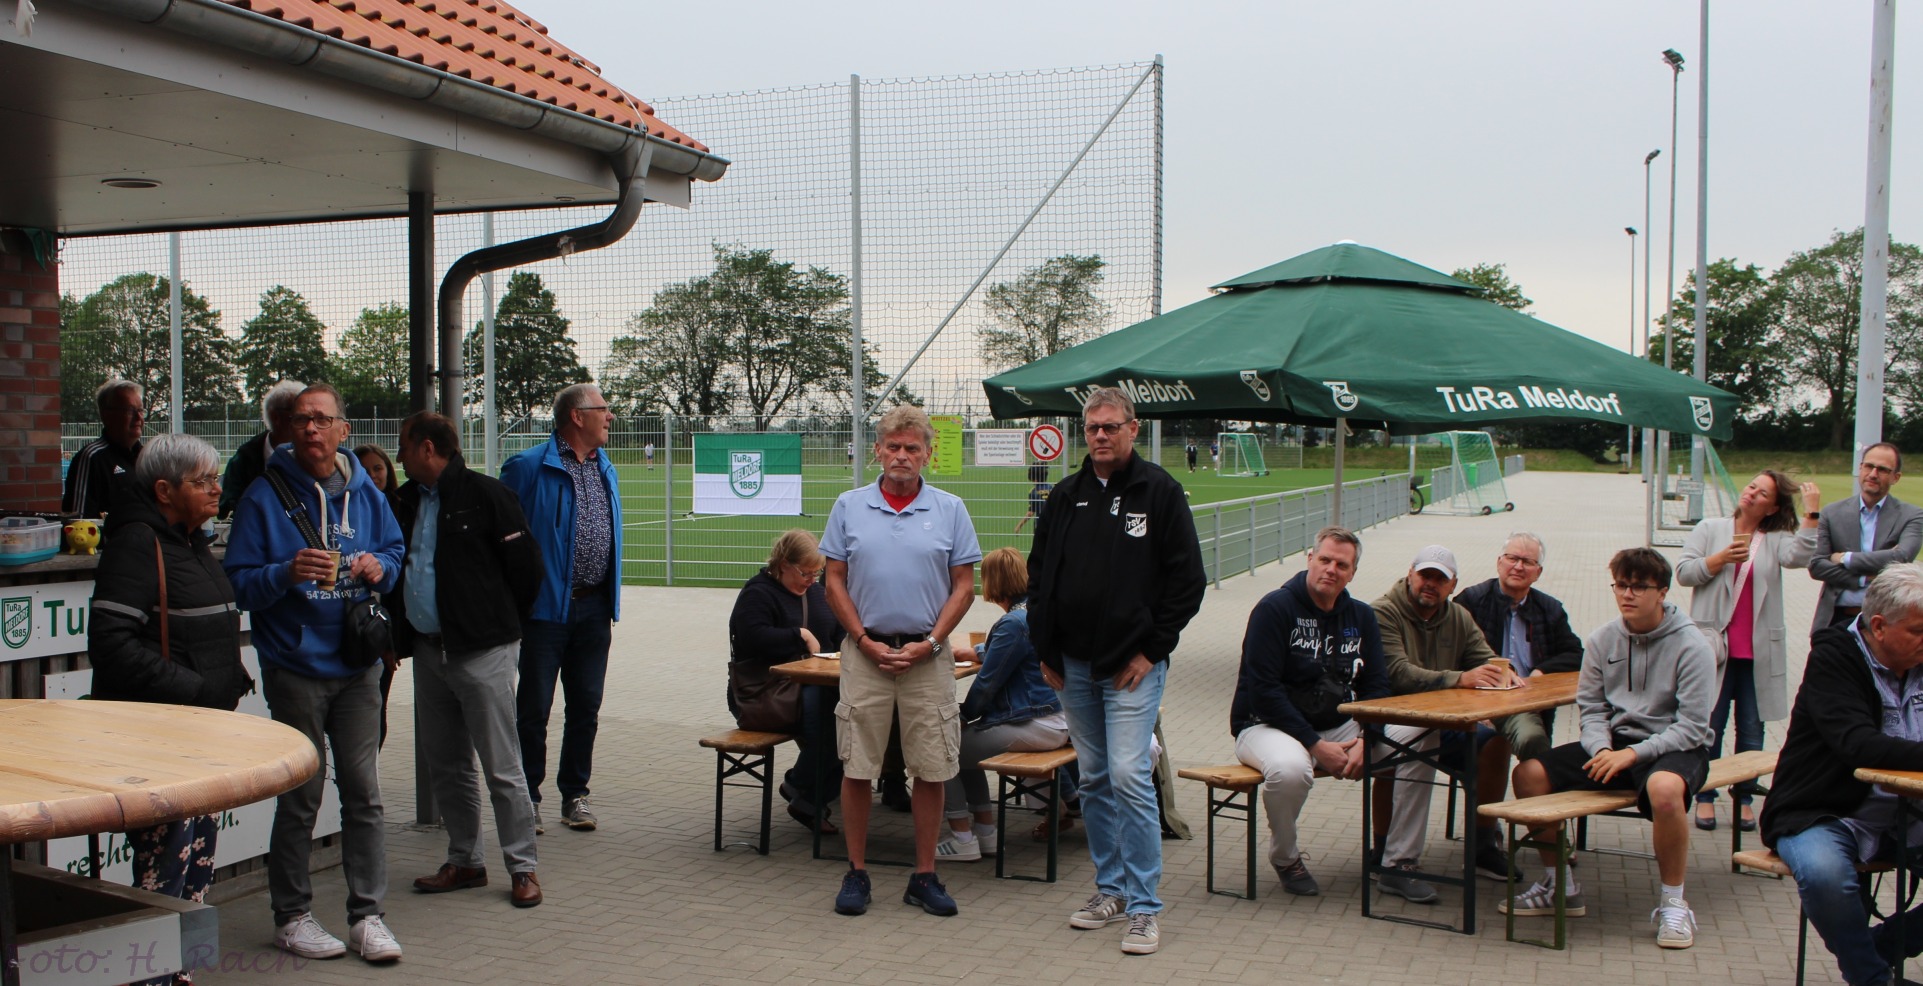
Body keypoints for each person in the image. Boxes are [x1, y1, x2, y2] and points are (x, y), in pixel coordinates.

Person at [223, 383, 406, 963]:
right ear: (288, 428)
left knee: (364, 794)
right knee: (301, 798)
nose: (311, 429)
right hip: (295, 666)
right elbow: (238, 582)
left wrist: (380, 566)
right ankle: (292, 916)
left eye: (323, 420)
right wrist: (284, 573)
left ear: (342, 430)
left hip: (357, 665)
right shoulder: (262, 495)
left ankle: (367, 916)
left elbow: (395, 553)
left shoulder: (366, 491)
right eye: (302, 419)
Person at [1028, 387, 1205, 956]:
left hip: (1132, 668)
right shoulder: (1065, 495)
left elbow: (1188, 582)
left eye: (1111, 426)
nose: (1100, 435)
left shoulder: (1161, 492)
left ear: (1133, 428)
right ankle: (1111, 890)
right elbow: (1039, 576)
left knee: (1129, 774)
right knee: (1095, 777)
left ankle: (1145, 908)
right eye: (1092, 427)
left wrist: (1151, 650)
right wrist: (1045, 648)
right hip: (1072, 668)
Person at [88, 432, 252, 986]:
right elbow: (111, 644)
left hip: (198, 735)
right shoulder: (138, 542)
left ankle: (180, 973)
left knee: (196, 859)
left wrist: (229, 677)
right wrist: (195, 688)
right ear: (164, 490)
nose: (215, 490)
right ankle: (149, 976)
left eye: (215, 479)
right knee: (165, 863)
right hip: (158, 741)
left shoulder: (188, 539)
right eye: (202, 481)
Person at [1501, 547, 1715, 951]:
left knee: (1665, 790)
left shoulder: (1693, 646)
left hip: (1676, 746)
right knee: (1528, 774)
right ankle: (1560, 886)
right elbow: (1593, 709)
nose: (1627, 594)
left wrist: (1632, 755)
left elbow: (1692, 728)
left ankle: (1674, 904)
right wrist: (1601, 748)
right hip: (1614, 744)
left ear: (1663, 592)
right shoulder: (1602, 639)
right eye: (1620, 585)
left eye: (1639, 586)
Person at [821, 405, 981, 919]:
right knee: (857, 766)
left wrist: (931, 643)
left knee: (932, 768)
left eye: (912, 448)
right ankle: (857, 872)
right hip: (865, 655)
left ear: (928, 454)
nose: (902, 456)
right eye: (893, 446)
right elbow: (833, 581)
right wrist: (862, 639)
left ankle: (925, 875)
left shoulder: (951, 509)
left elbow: (964, 587)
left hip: (927, 658)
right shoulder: (849, 506)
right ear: (878, 450)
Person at [389, 411, 545, 909]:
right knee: (447, 765)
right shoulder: (406, 500)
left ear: (428, 448)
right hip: (428, 651)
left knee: (502, 766)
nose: (399, 456)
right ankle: (465, 861)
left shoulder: (487, 495)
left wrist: (496, 626)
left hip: (483, 652)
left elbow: (528, 571)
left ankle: (522, 867)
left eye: (405, 446)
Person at [1231, 526, 1425, 897]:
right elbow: (1263, 691)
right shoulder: (1274, 609)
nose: (1331, 569)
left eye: (1342, 564)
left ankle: (1397, 861)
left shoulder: (1362, 616)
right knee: (1290, 769)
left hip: (1342, 727)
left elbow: (1377, 687)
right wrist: (1315, 745)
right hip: (1266, 726)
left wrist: (1367, 738)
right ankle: (1286, 857)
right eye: (1325, 560)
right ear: (1310, 559)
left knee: (1422, 737)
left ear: (1352, 573)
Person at [1764, 563, 1923, 986]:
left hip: (1911, 813)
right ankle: (1871, 978)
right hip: (1825, 811)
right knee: (1824, 876)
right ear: (1879, 626)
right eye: (1918, 631)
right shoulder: (1835, 657)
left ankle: (1879, 947)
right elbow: (1858, 744)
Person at [503, 383, 622, 835]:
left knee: (586, 708)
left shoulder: (605, 466)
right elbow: (502, 537)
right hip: (544, 613)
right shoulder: (528, 467)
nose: (610, 416)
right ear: (577, 416)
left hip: (594, 609)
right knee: (534, 710)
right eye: (603, 409)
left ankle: (575, 795)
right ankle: (526, 799)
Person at [1371, 544, 1524, 898]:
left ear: (1453, 585)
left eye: (1440, 579)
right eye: (1425, 575)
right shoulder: (1382, 612)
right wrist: (1460, 679)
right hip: (1387, 722)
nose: (1431, 584)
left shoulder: (1458, 616)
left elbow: (1485, 659)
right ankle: (1392, 857)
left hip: (1444, 722)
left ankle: (1482, 845)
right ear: (1410, 574)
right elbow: (1398, 672)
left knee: (1497, 742)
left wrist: (1506, 673)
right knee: (1417, 740)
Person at [1677, 470, 1822, 832]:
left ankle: (1744, 798)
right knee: (1709, 725)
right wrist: (1719, 559)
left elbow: (1799, 557)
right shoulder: (1710, 528)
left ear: (1772, 507)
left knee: (1752, 731)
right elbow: (1684, 573)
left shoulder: (1775, 539)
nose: (1752, 493)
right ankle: (1705, 794)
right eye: (1752, 486)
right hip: (1714, 648)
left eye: (1763, 493)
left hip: (1757, 653)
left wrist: (1811, 515)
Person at [937, 546, 1064, 862]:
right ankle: (986, 834)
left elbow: (988, 683)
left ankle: (962, 837)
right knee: (962, 743)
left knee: (942, 745)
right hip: (1056, 718)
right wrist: (980, 651)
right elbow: (1012, 652)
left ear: (992, 582)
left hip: (1035, 722)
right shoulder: (1034, 611)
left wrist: (963, 714)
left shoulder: (1012, 623)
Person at [728, 529, 845, 834]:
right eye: (805, 573)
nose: (811, 580)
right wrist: (799, 635)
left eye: (816, 573)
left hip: (816, 682)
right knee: (834, 724)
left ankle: (802, 792)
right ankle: (803, 790)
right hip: (770, 689)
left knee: (854, 721)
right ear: (783, 565)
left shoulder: (816, 593)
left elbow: (836, 632)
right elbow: (752, 638)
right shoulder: (758, 593)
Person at [1454, 533, 1586, 761]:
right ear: (1499, 562)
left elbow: (1576, 654)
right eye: (1512, 558)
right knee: (1486, 746)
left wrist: (1541, 671)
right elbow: (1452, 654)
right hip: (1478, 698)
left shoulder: (1549, 609)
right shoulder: (1471, 601)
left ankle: (1536, 780)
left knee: (1532, 740)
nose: (1518, 567)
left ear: (1538, 572)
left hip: (1525, 700)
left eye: (1527, 562)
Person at [1812, 443, 1923, 631]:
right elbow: (1817, 566)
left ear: (1896, 477)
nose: (1873, 474)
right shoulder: (1832, 513)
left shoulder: (1911, 515)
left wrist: (1844, 558)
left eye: (1882, 469)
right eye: (1869, 466)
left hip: (1886, 623)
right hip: (1836, 619)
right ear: (1860, 468)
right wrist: (1864, 579)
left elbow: (1901, 557)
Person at [354, 441, 403, 748]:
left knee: (377, 708)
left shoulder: (400, 508)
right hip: (356, 625)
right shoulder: (348, 510)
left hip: (384, 627)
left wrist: (391, 642)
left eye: (378, 468)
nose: (372, 476)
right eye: (364, 470)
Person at [219, 380, 304, 520]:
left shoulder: (315, 453)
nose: (308, 423)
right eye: (299, 415)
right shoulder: (244, 459)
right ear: (276, 417)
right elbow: (226, 506)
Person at [63, 378, 144, 518]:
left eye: (141, 410)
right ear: (106, 415)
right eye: (130, 410)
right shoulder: (92, 458)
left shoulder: (146, 457)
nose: (138, 417)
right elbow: (78, 521)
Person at [1013, 463, 1053, 534]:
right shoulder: (1053, 488)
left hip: (1040, 524)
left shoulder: (1034, 492)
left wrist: (1019, 525)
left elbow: (1030, 513)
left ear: (1034, 479)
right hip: (1054, 523)